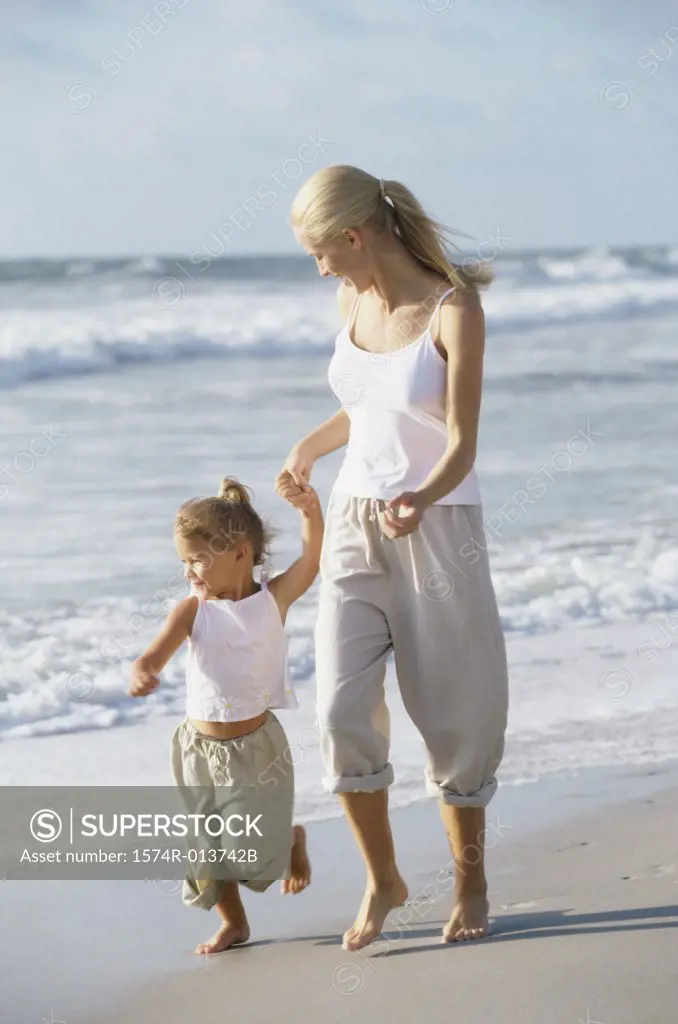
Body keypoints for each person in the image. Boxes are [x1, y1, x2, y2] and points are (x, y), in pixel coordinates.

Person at [276, 164, 509, 951]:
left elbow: (460, 441)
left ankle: (470, 881)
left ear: (352, 235)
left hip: (437, 527)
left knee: (458, 716)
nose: (319, 269)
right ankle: (384, 878)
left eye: (319, 251)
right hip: (351, 524)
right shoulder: (350, 303)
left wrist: (419, 497)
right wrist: (309, 448)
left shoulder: (454, 310)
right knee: (340, 711)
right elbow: (364, 406)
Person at [129, 473, 323, 955]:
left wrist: (310, 513)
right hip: (197, 749)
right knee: (207, 848)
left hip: (257, 750)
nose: (189, 571)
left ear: (239, 551)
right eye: (183, 561)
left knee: (251, 851)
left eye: (197, 558)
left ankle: (291, 840)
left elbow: (312, 561)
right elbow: (153, 655)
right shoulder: (192, 611)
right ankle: (234, 924)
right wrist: (144, 670)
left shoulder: (273, 600)